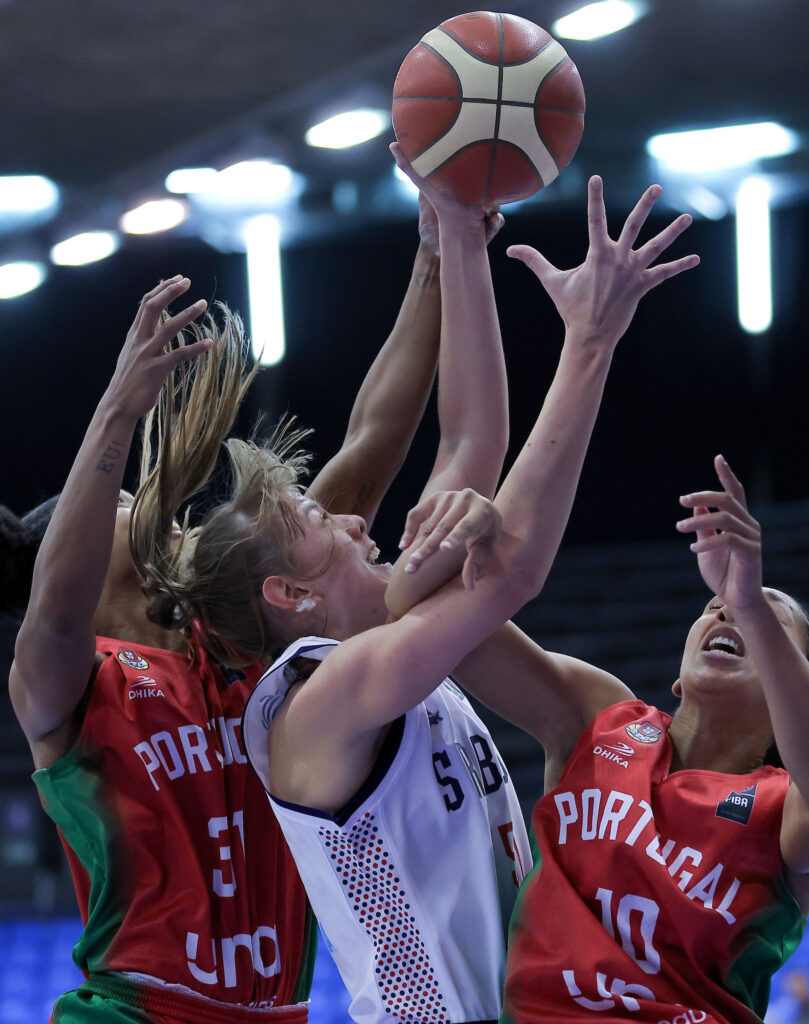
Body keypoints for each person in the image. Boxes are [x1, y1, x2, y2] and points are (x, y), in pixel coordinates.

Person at [145, 168, 698, 1024]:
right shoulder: (313, 709)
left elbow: (471, 437)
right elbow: (511, 572)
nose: (356, 521)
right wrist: (588, 343)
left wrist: (457, 233)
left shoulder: (409, 632)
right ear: (290, 592)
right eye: (319, 522)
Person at [7, 199, 460, 1022]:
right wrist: (118, 413)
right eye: (130, 519)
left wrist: (435, 251)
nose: (162, 522)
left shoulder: (253, 642)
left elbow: (372, 444)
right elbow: (58, 614)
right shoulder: (64, 693)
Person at [440, 471, 809, 1015]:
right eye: (716, 606)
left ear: (793, 696)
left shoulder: (787, 814)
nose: (729, 608)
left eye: (771, 627)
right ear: (677, 678)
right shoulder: (600, 718)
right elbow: (454, 628)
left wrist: (754, 607)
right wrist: (459, 537)